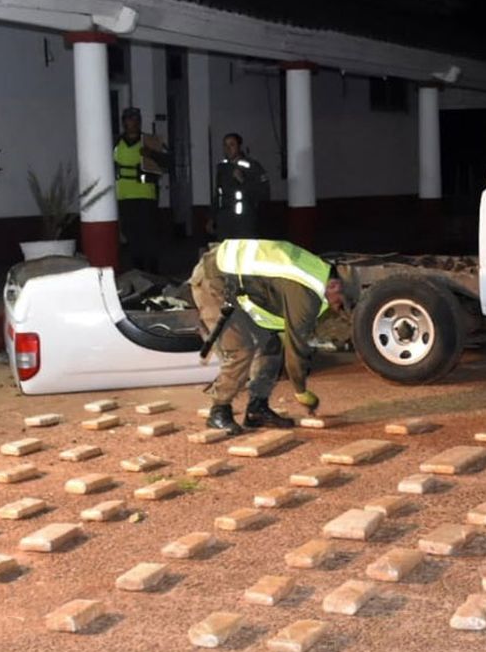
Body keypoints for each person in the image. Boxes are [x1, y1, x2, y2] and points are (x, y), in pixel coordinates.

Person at [189, 238, 357, 435]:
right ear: (334, 286)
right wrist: (302, 392)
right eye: (340, 303)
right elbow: (296, 352)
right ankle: (218, 411)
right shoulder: (306, 293)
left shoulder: (316, 273)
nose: (337, 309)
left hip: (238, 284)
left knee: (271, 345)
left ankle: (256, 409)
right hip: (213, 279)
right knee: (241, 350)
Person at [114, 107, 171, 272]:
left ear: (139, 121)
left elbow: (167, 161)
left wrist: (151, 154)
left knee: (149, 235)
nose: (131, 122)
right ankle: (137, 270)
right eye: (128, 119)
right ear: (123, 122)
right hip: (124, 195)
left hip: (146, 195)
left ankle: (152, 270)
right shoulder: (116, 142)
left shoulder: (150, 140)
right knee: (131, 235)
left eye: (134, 119)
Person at [210, 133, 269, 240]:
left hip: (245, 223)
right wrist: (212, 218)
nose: (228, 149)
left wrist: (242, 180)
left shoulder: (252, 167)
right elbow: (218, 195)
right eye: (225, 145)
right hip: (225, 223)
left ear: (239, 146)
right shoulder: (222, 168)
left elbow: (264, 192)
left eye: (232, 145)